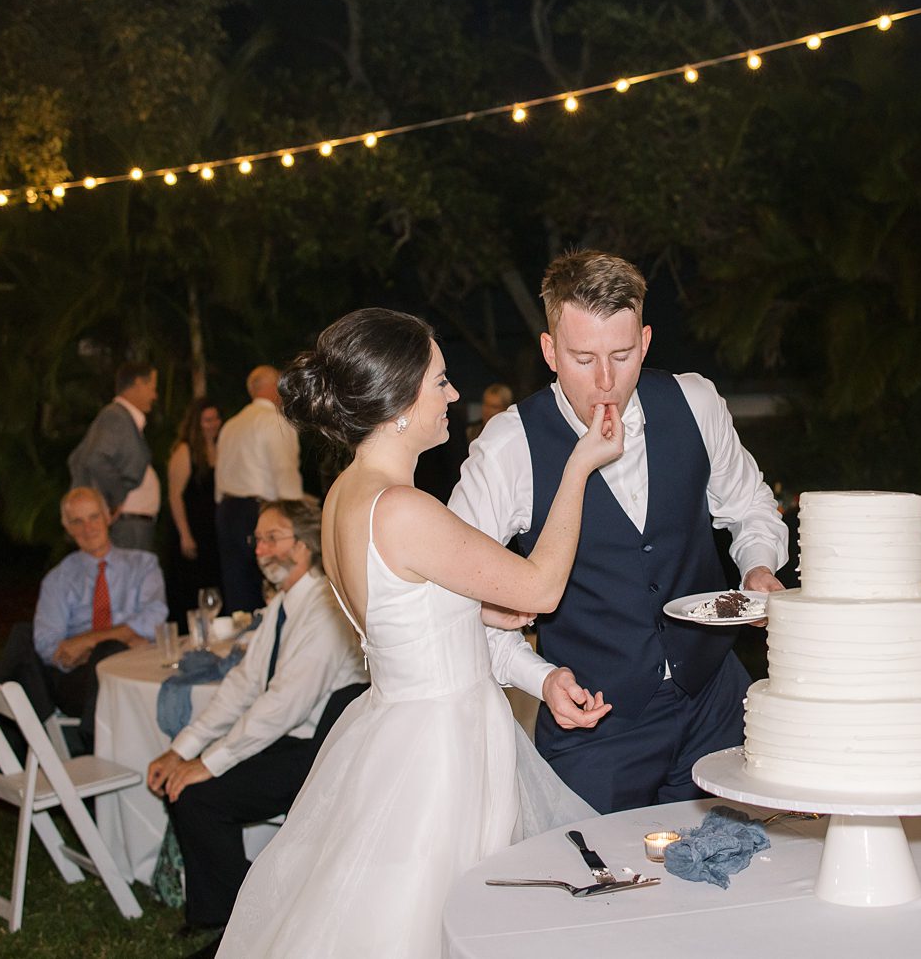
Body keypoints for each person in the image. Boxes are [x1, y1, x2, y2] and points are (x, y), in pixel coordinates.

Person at [215, 307, 618, 958]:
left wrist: (477, 612)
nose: (453, 395)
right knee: (444, 921)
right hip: (442, 750)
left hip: (398, 729)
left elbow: (401, 608)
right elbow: (542, 586)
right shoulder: (403, 508)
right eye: (441, 380)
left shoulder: (346, 493)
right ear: (399, 400)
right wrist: (578, 468)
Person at [449, 249, 789, 813]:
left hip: (716, 702)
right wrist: (538, 677)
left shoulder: (696, 402)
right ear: (550, 351)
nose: (606, 381)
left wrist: (758, 565)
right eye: (583, 359)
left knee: (741, 873)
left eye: (622, 355)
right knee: (601, 891)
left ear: (647, 342)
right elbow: (455, 591)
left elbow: (750, 505)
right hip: (596, 727)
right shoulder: (508, 446)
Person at [147, 499, 369, 948]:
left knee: (200, 795)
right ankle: (224, 914)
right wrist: (183, 749)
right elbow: (243, 686)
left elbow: (284, 706)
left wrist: (209, 763)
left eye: (272, 538)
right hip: (286, 740)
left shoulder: (325, 608)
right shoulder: (284, 606)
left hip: (320, 754)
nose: (260, 549)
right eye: (258, 540)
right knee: (187, 787)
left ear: (304, 546)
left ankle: (242, 921)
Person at [0, 487, 167, 754]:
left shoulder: (143, 565)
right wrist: (120, 639)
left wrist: (87, 641)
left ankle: (93, 747)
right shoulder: (58, 579)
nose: (88, 528)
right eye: (77, 521)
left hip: (135, 672)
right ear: (67, 527)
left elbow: (154, 616)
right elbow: (47, 643)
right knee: (110, 650)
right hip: (79, 679)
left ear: (109, 517)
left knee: (109, 648)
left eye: (94, 517)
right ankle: (94, 744)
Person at [214, 366, 303, 613]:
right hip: (259, 514)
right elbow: (285, 473)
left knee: (238, 592)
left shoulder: (231, 425)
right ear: (276, 388)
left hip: (227, 512)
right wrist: (296, 519)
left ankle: (246, 645)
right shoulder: (273, 420)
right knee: (275, 585)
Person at [68, 361, 162, 551]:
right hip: (127, 525)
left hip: (131, 523)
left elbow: (77, 459)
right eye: (152, 388)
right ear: (137, 384)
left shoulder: (121, 418)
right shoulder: (116, 416)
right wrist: (116, 498)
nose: (155, 396)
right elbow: (95, 458)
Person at [166, 397, 224, 615]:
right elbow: (174, 496)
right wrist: (185, 535)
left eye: (216, 419)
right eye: (207, 420)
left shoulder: (223, 446)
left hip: (214, 532)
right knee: (191, 589)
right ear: (196, 422)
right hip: (192, 531)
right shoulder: (184, 450)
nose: (213, 424)